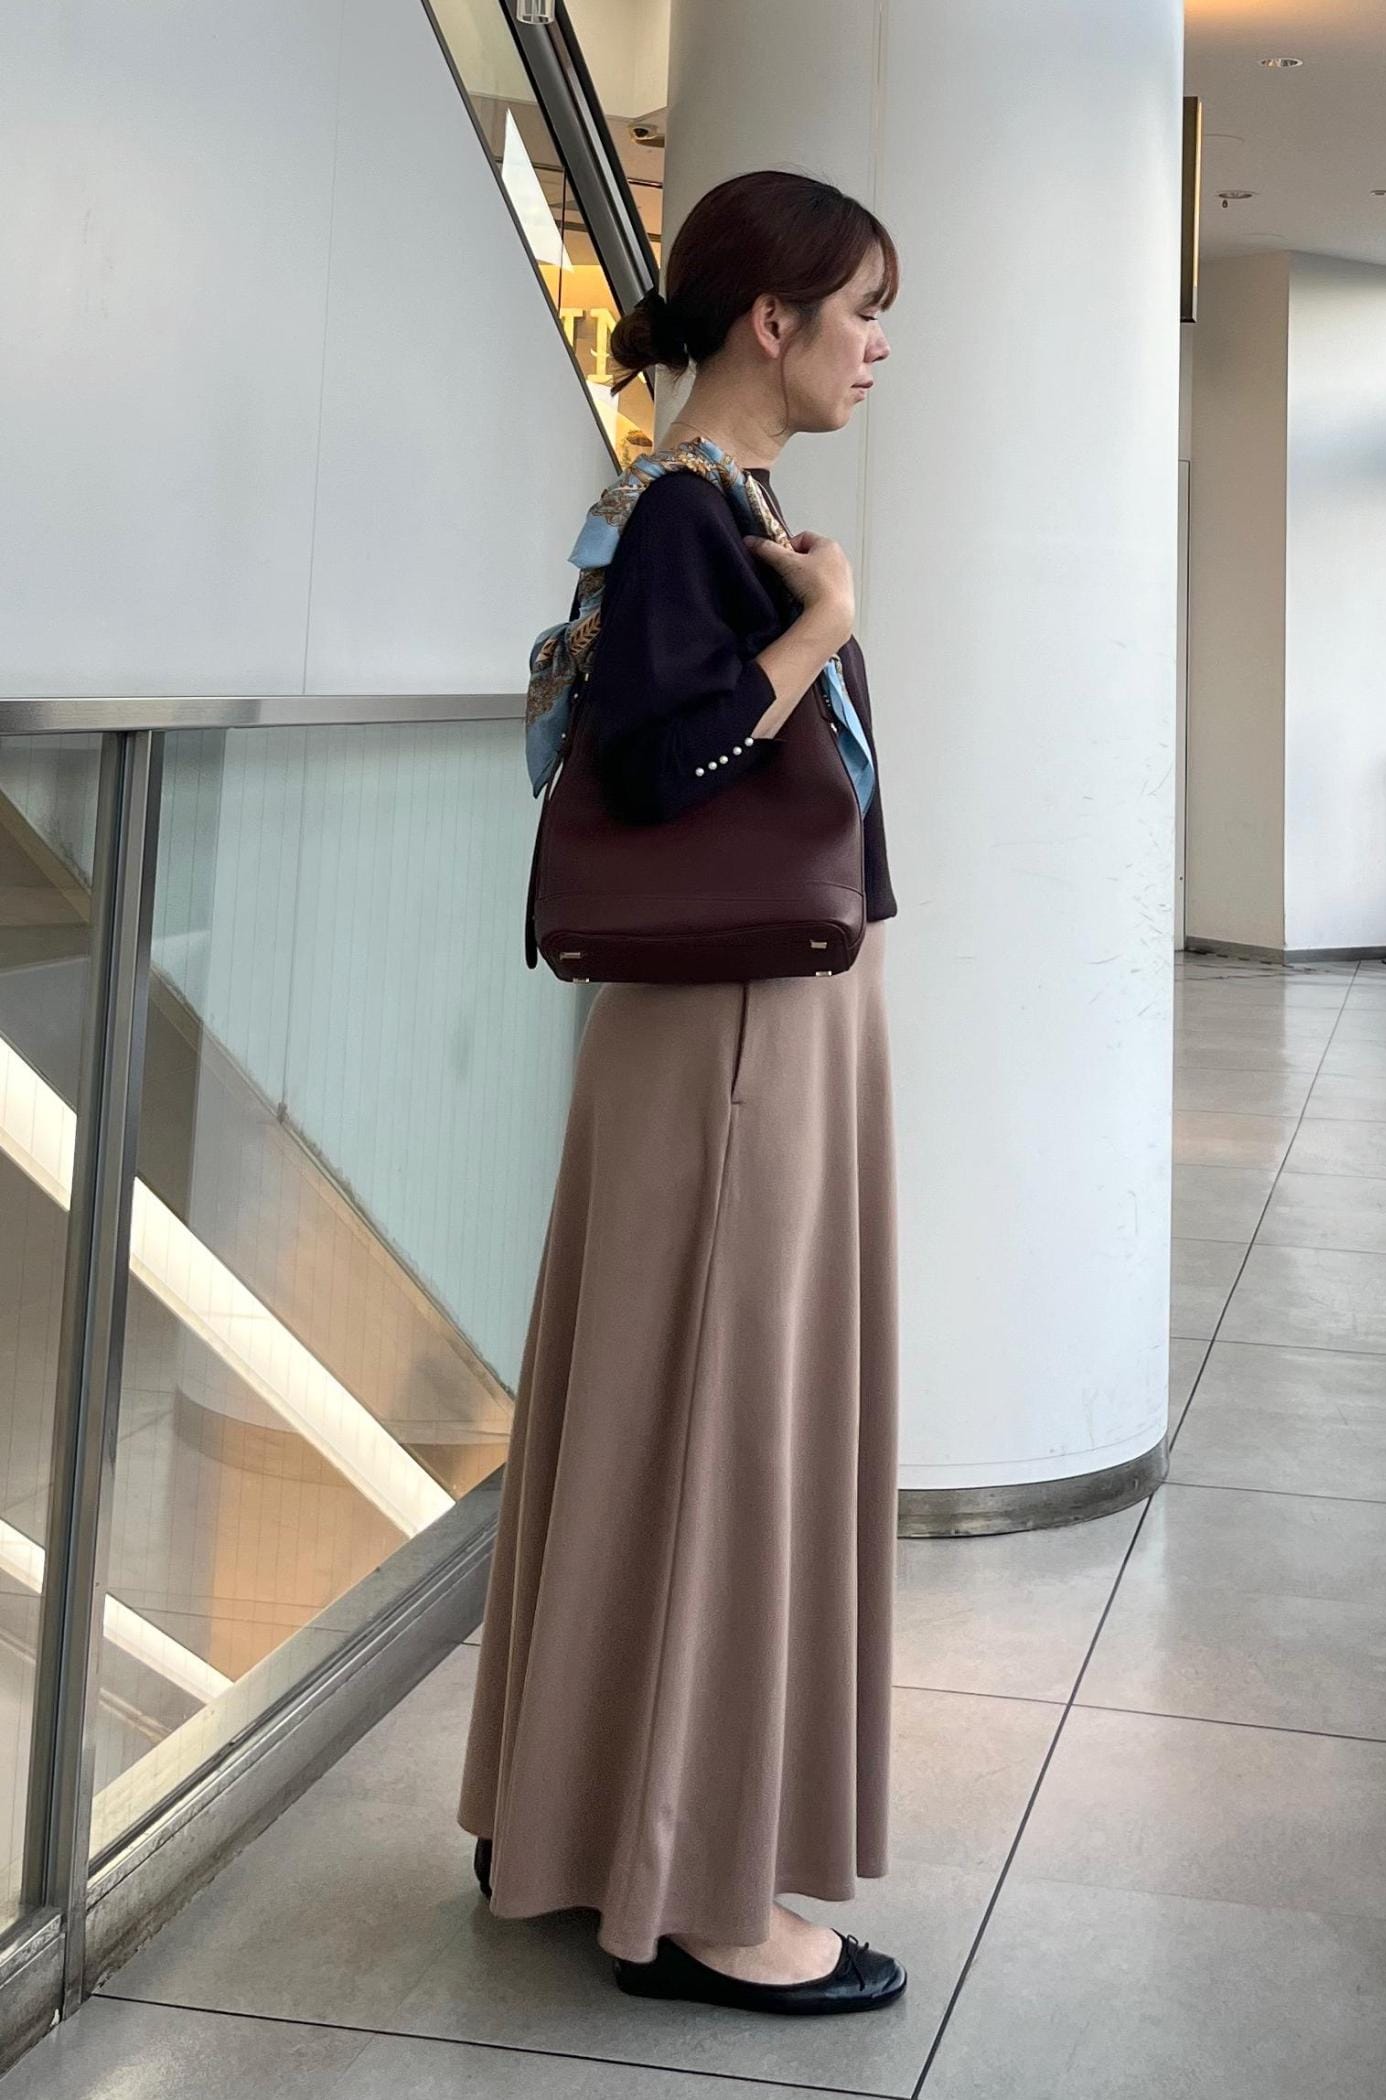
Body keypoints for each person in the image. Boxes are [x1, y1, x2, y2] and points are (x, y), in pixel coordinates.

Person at [457, 168, 903, 2018]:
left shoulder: (719, 506)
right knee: (724, 1428)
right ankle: (706, 1904)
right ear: (770, 321)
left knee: (665, 1413)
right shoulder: (686, 517)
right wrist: (822, 625)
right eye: (861, 313)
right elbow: (663, 766)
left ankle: (579, 1824)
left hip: (739, 1021)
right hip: (733, 1032)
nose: (878, 350)